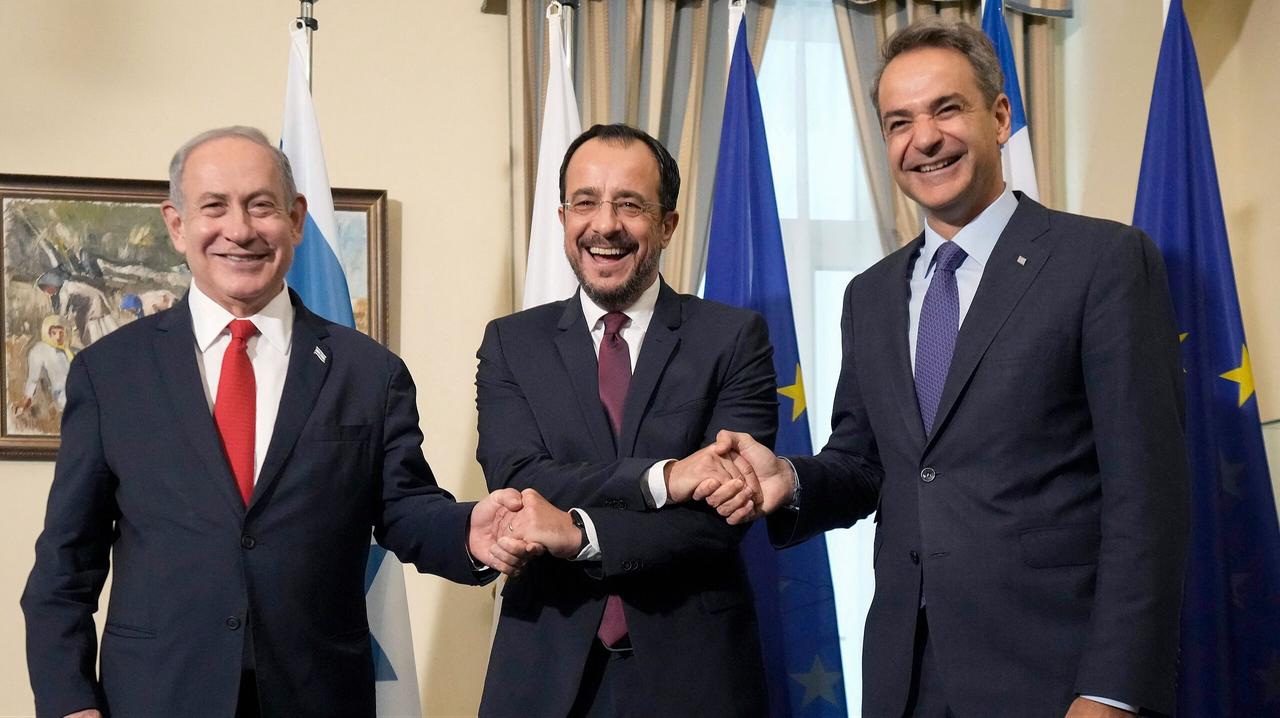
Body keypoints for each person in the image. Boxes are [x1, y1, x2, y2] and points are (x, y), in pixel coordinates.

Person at [703, 20, 1190, 718]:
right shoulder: (868, 295)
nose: (922, 138)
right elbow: (866, 464)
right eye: (898, 122)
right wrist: (790, 479)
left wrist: (1112, 690)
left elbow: (1149, 500)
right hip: (906, 678)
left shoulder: (1103, 263)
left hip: (1055, 678)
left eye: (945, 109)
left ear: (998, 117)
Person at [22, 126, 539, 718]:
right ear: (176, 224)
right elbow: (66, 563)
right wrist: (68, 704)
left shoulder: (368, 373)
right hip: (157, 696)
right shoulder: (109, 374)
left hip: (316, 694)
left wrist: (469, 530)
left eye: (261, 206)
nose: (239, 230)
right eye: (214, 207)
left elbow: (406, 509)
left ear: (295, 219)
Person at [476, 123, 777, 717]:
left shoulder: (732, 339)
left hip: (696, 671)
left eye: (630, 205)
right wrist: (664, 479)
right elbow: (520, 484)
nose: (605, 225)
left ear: (667, 224)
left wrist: (581, 534)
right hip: (545, 669)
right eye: (584, 202)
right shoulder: (512, 343)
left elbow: (722, 517)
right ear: (562, 218)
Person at [16, 315, 74, 414]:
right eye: (54, 333)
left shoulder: (69, 351)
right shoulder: (40, 350)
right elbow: (33, 378)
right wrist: (27, 397)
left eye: (61, 332)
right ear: (48, 333)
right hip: (62, 395)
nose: (58, 336)